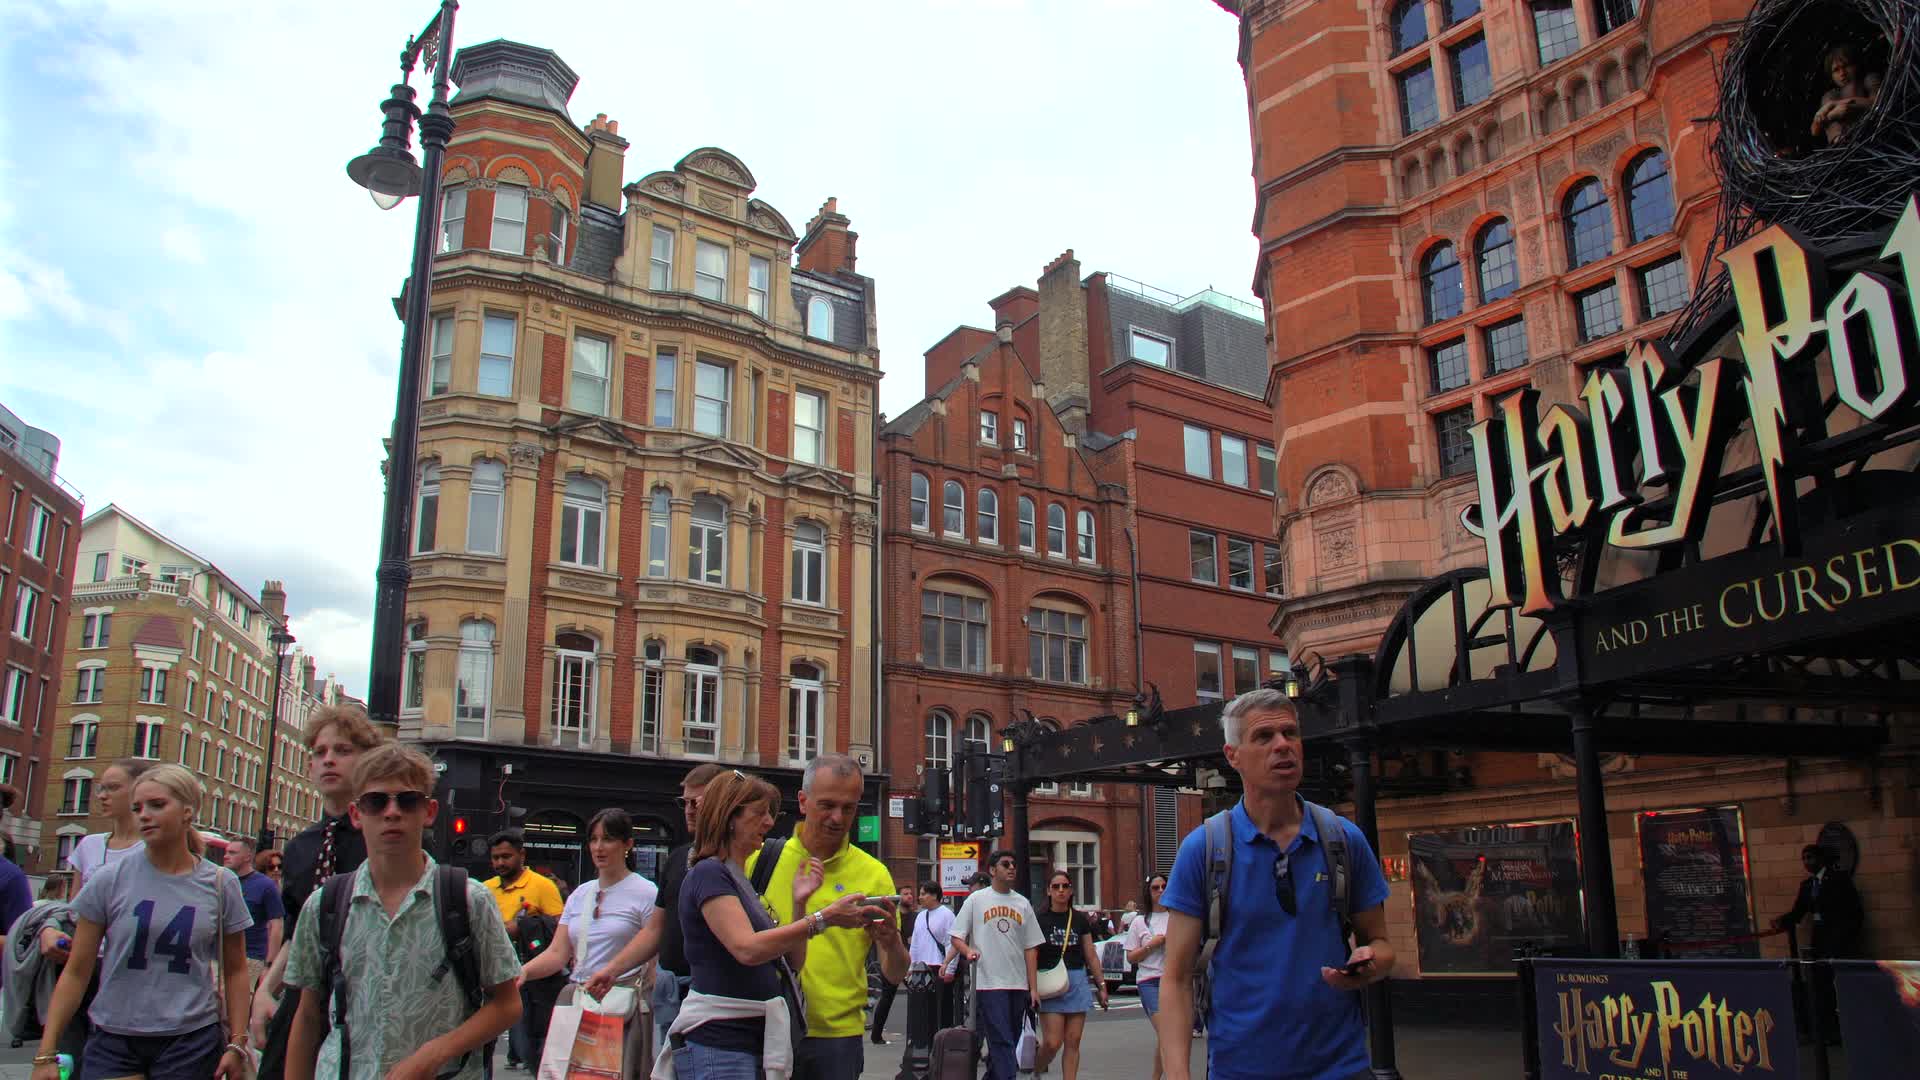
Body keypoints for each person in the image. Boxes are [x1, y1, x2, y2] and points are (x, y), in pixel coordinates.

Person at [1158, 689, 1394, 1080]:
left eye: (1290, 733)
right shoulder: (1204, 849)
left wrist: (1371, 964)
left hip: (1342, 1068)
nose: (1283, 745)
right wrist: (1178, 1075)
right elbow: (1177, 978)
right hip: (1241, 1070)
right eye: (1264, 737)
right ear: (1233, 756)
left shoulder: (1342, 839)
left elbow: (1383, 945)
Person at [283, 743, 520, 1080]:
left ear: (429, 811)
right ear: (356, 814)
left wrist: (435, 1054)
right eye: (376, 802)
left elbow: (507, 1004)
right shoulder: (325, 905)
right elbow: (307, 1016)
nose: (391, 812)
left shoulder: (468, 900)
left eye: (407, 801)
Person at [29, 764, 253, 1080]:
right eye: (138, 808)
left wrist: (237, 1043)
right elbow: (77, 970)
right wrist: (46, 1052)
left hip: (190, 1039)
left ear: (188, 812)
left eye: (157, 805)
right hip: (114, 1036)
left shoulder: (220, 883)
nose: (144, 815)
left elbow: (236, 969)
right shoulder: (108, 880)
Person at [665, 769, 879, 1078]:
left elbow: (793, 962)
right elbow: (747, 949)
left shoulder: (738, 880)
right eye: (759, 814)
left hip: (748, 1043)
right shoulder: (709, 874)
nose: (769, 822)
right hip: (721, 1043)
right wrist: (824, 918)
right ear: (730, 818)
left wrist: (800, 904)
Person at [745, 754, 908, 1079]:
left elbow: (895, 973)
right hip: (764, 1027)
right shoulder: (760, 861)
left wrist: (891, 943)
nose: (838, 817)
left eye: (849, 808)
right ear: (803, 802)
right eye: (828, 805)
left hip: (837, 1039)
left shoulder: (874, 874)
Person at [250, 703, 384, 1057]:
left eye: (343, 751)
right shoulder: (300, 848)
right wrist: (266, 989)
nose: (328, 760)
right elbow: (297, 933)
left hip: (369, 1001)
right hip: (307, 998)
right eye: (319, 752)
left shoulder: (386, 837)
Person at [588, 762, 725, 1054]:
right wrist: (611, 970)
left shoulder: (734, 861)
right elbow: (655, 930)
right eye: (684, 802)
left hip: (714, 999)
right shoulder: (677, 859)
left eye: (697, 802)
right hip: (673, 996)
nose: (689, 809)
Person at [519, 809, 658, 1079]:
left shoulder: (646, 893)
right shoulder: (580, 894)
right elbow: (558, 953)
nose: (598, 847)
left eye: (607, 839)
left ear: (627, 844)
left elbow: (653, 958)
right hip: (579, 1001)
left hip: (622, 1006)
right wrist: (524, 972)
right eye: (593, 840)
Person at [950, 849, 1042, 1080]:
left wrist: (1033, 988)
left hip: (1018, 983)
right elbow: (957, 936)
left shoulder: (1022, 903)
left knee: (1009, 1037)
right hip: (989, 983)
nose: (1012, 867)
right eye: (1005, 864)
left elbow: (1031, 947)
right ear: (992, 870)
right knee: (1001, 1039)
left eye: (1014, 864)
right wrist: (968, 951)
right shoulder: (976, 900)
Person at [483, 830, 565, 1071]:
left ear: (522, 854)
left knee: (527, 1043)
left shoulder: (543, 886)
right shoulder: (485, 889)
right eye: (495, 857)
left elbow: (559, 927)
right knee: (482, 1044)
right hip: (490, 972)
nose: (500, 862)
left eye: (506, 856)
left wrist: (525, 927)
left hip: (528, 977)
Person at [1775, 843, 1865, 1043]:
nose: (1807, 862)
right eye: (1804, 859)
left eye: (1811, 858)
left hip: (1839, 938)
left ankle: (1848, 1029)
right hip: (1820, 939)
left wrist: (1846, 937)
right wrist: (1782, 921)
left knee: (1840, 985)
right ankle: (1828, 1031)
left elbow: (1854, 912)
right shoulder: (1807, 885)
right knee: (1821, 984)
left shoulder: (1838, 879)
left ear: (1821, 859)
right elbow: (1798, 912)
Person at [1034, 870, 1107, 1079]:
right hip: (1049, 981)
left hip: (1076, 979)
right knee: (1053, 1042)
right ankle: (1035, 1070)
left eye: (1065, 886)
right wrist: (1031, 987)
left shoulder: (1079, 919)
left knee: (1073, 1040)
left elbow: (1090, 953)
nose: (1061, 891)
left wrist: (1101, 986)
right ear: (1048, 890)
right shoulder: (1039, 918)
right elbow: (1031, 953)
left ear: (1071, 890)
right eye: (1056, 887)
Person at [63, 760, 153, 892]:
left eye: (113, 787)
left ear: (140, 790)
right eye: (101, 789)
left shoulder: (154, 847)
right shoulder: (89, 845)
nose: (102, 796)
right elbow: (75, 908)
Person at [1125, 875, 1172, 1080]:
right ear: (1149, 892)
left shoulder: (1177, 917)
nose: (1160, 891)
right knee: (1166, 1033)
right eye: (1155, 888)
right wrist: (1152, 944)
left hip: (1173, 980)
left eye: (1164, 886)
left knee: (1167, 1036)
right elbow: (1131, 957)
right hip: (1149, 981)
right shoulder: (1139, 922)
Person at [224, 837, 286, 987]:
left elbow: (276, 926)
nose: (226, 856)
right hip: (219, 955)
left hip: (250, 957)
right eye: (226, 852)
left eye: (232, 853)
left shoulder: (265, 885)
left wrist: (268, 966)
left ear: (248, 857)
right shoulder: (222, 880)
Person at [868, 882, 916, 1045]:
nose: (909, 896)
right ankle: (876, 1033)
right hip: (894, 959)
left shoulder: (915, 916)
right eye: (905, 894)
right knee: (887, 998)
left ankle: (913, 1035)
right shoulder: (894, 916)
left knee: (916, 997)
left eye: (910, 893)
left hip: (910, 958)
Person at [1810, 43, 1880, 145]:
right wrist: (1832, 115)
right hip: (1848, 144)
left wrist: (1834, 105)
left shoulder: (1869, 80)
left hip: (1874, 132)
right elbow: (1815, 131)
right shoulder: (1831, 95)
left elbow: (1877, 103)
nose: (1842, 73)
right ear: (1831, 76)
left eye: (1846, 66)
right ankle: (1840, 141)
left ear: (1856, 65)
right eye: (1836, 70)